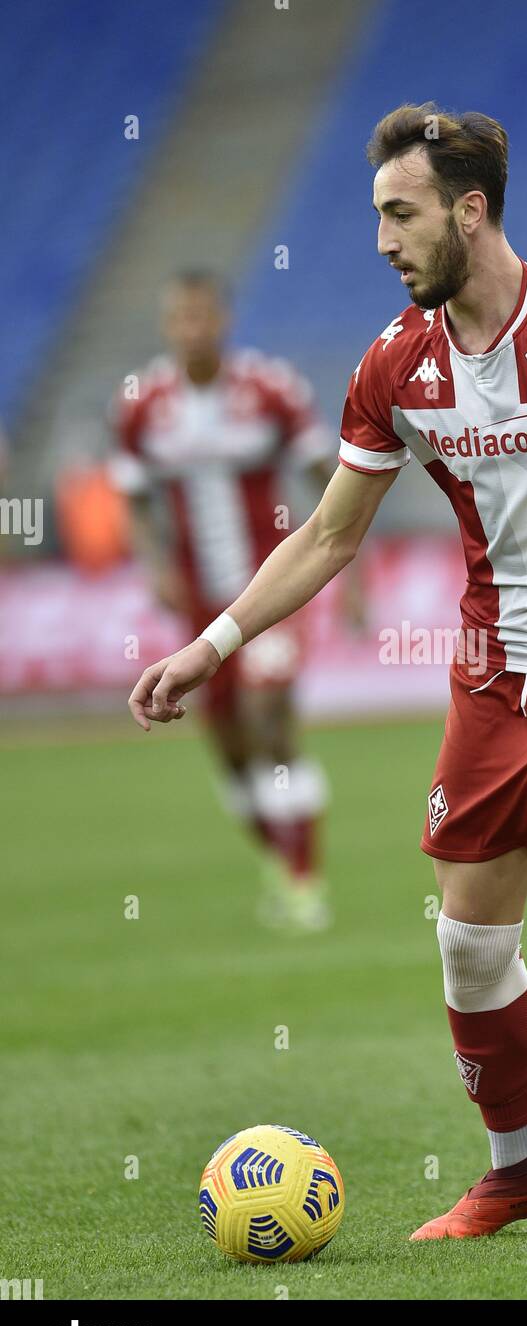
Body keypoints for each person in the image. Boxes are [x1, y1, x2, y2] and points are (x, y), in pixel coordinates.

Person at [128, 106, 527, 1238]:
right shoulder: (395, 366)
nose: (382, 239)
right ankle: (520, 1166)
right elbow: (326, 535)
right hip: (489, 681)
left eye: (400, 214)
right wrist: (207, 645)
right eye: (377, 216)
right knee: (468, 945)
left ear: (470, 211)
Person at [114, 269, 344, 931]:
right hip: (195, 606)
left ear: (224, 320)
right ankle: (284, 861)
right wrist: (153, 563)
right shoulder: (141, 405)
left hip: (270, 592)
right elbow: (131, 498)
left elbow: (331, 480)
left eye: (203, 316)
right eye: (181, 318)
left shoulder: (271, 391)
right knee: (231, 746)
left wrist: (354, 573)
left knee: (266, 713)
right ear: (168, 326)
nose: (193, 329)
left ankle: (305, 880)